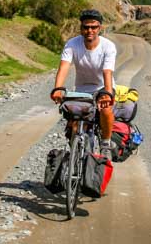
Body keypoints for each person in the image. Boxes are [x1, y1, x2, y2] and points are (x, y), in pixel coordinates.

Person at [50, 9, 116, 159]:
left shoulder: (108, 46)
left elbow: (107, 72)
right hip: (81, 89)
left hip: (102, 87)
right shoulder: (72, 44)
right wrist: (57, 89)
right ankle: (76, 151)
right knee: (74, 122)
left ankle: (106, 143)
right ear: (81, 28)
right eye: (86, 27)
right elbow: (64, 66)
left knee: (106, 110)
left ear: (100, 28)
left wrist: (107, 94)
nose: (89, 31)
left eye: (94, 27)